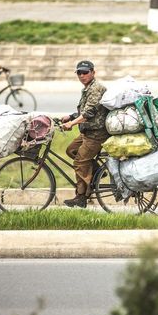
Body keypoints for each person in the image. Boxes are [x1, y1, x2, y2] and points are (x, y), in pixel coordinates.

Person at [61, 60, 110, 208]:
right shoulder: (88, 88)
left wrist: (72, 123)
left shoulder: (96, 89)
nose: (82, 75)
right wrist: (70, 117)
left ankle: (81, 196)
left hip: (97, 134)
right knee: (71, 150)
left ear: (93, 72)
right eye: (79, 73)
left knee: (80, 162)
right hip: (87, 132)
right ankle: (95, 171)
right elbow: (84, 109)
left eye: (85, 72)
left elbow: (89, 112)